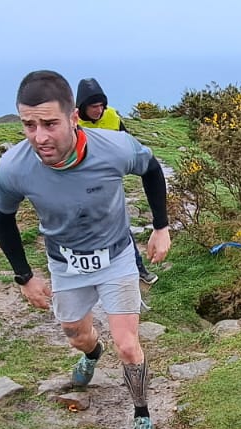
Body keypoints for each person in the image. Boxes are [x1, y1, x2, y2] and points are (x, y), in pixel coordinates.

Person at [0, 70, 172, 429]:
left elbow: (152, 168)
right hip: (66, 263)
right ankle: (92, 354)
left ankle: (142, 416)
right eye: (29, 125)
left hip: (117, 256)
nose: (39, 136)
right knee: (77, 335)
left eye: (50, 123)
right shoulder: (14, 167)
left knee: (127, 344)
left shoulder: (115, 148)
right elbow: (1, 215)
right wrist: (24, 276)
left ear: (73, 118)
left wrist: (160, 227)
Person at [76, 77, 157, 285]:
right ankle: (86, 275)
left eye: (102, 105)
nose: (99, 110)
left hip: (110, 184)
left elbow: (127, 143)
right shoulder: (72, 122)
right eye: (94, 106)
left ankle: (138, 269)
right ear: (82, 107)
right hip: (80, 187)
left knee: (121, 227)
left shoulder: (112, 116)